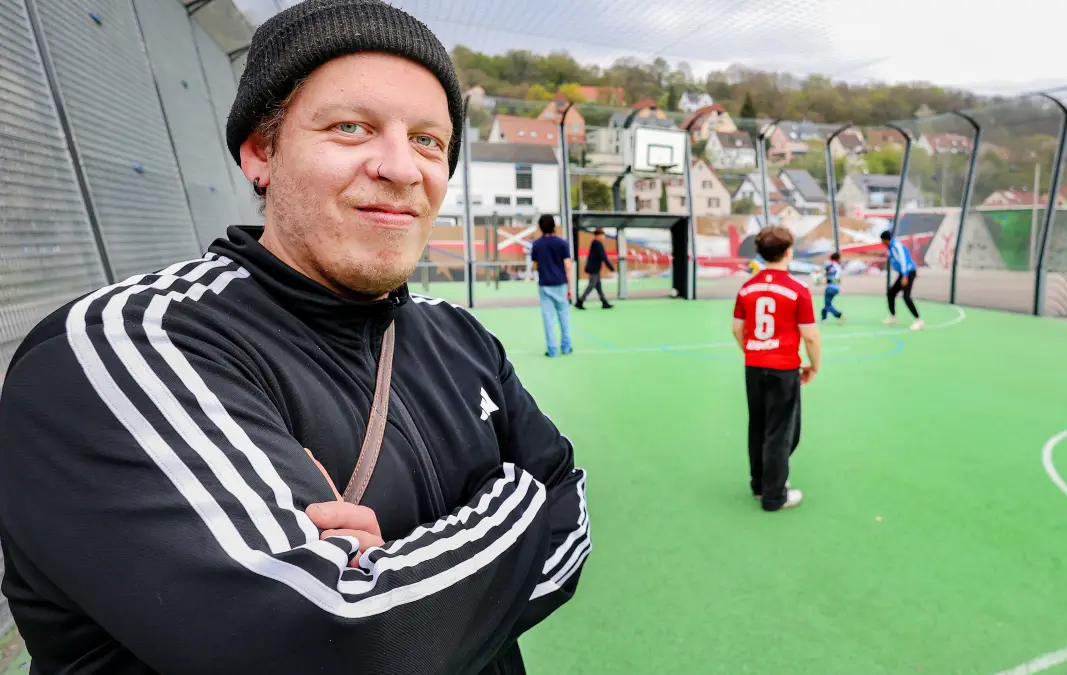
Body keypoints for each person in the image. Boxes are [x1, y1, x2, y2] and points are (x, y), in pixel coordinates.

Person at [0, 2, 590, 673]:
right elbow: (340, 645)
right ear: (261, 151)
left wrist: (394, 576)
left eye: (428, 139)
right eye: (350, 127)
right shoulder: (123, 345)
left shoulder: (459, 334)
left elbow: (575, 528)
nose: (401, 167)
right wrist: (521, 499)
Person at [732, 226, 820, 512]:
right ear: (788, 251)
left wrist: (753, 351)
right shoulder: (797, 289)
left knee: (757, 425)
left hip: (754, 367)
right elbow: (810, 335)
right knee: (781, 432)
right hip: (783, 369)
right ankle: (774, 496)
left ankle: (759, 485)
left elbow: (737, 328)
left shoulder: (747, 287)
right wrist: (813, 366)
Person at [530, 214, 574, 356]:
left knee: (548, 318)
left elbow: (535, 266)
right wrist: (570, 288)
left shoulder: (536, 245)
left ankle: (552, 349)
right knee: (564, 316)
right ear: (554, 226)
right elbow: (568, 266)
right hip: (561, 284)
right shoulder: (562, 243)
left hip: (545, 285)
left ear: (540, 228)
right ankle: (566, 347)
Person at [881, 230, 924, 331]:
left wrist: (905, 276)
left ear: (886, 240)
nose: (882, 242)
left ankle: (918, 321)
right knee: (891, 293)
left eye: (882, 240)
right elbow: (907, 257)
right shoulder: (891, 247)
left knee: (906, 296)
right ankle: (893, 317)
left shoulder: (896, 246)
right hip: (904, 272)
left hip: (907, 273)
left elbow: (904, 260)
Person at [576, 228, 615, 310]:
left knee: (598, 285)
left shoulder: (594, 243)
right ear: (598, 235)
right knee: (592, 285)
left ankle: (604, 302)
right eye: (603, 235)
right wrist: (611, 267)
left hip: (594, 268)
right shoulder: (597, 244)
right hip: (594, 268)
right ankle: (580, 301)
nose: (604, 236)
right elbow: (604, 257)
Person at [821, 252, 845, 323]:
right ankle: (824, 318)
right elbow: (838, 280)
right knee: (827, 304)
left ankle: (838, 314)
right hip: (836, 288)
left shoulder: (830, 265)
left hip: (830, 288)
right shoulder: (838, 267)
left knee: (827, 304)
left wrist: (819, 280)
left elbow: (822, 271)